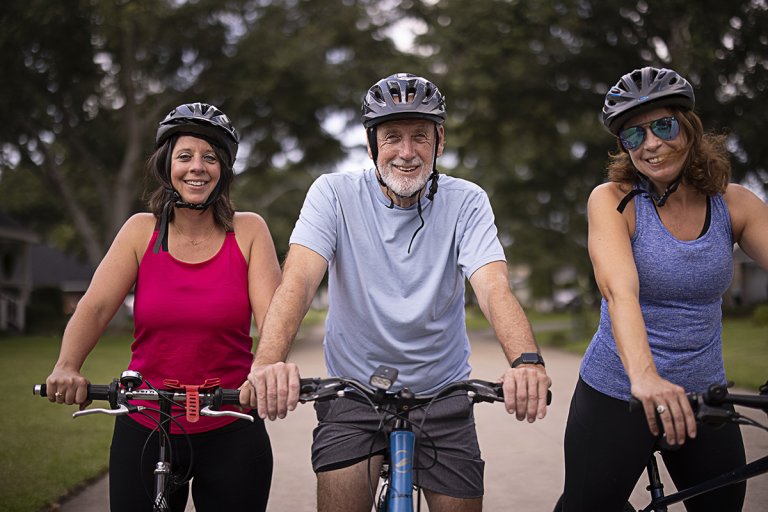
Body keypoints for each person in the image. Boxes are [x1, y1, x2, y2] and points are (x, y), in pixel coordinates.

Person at [246, 72, 551, 512]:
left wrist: (526, 361)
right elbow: (298, 281)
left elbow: (493, 287)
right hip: (352, 394)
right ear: (371, 145)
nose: (407, 152)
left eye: (419, 137)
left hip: (442, 394)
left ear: (439, 142)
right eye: (392, 137)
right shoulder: (332, 194)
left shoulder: (467, 201)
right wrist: (269, 362)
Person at [44, 102, 281, 512]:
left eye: (210, 157)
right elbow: (97, 306)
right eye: (185, 156)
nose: (197, 168)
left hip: (232, 420)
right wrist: (67, 365)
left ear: (223, 168)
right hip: (146, 422)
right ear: (166, 164)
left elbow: (275, 319)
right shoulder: (140, 231)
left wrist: (264, 373)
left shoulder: (249, 231)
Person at [557, 67, 768, 511]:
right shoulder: (613, 199)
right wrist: (646, 378)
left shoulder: (736, 204)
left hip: (701, 393)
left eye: (663, 126)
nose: (651, 144)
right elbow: (620, 292)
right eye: (634, 136)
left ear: (688, 128)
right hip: (618, 389)